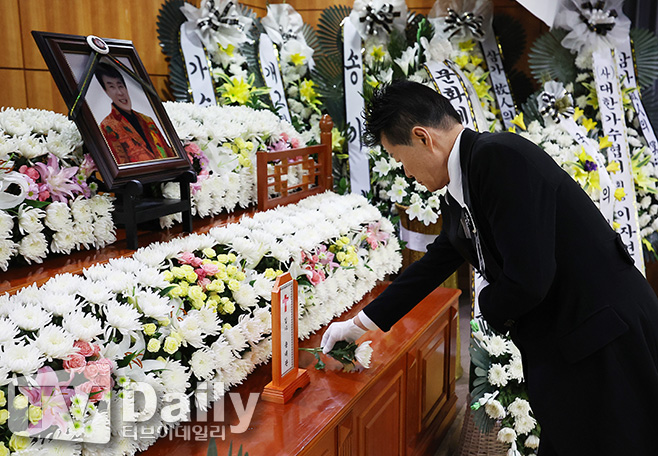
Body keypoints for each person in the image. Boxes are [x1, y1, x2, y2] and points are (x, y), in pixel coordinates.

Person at [321, 80, 658, 455]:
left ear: (422, 137)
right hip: (572, 339)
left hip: (603, 337)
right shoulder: (463, 181)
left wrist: (486, 300)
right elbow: (436, 262)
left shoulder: (498, 158)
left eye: (400, 160)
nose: (407, 174)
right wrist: (358, 325)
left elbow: (529, 280)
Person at [94, 62, 175, 164]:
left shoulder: (147, 120)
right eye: (112, 87)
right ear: (106, 91)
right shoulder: (108, 127)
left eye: (120, 86)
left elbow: (170, 154)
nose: (120, 93)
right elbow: (121, 166)